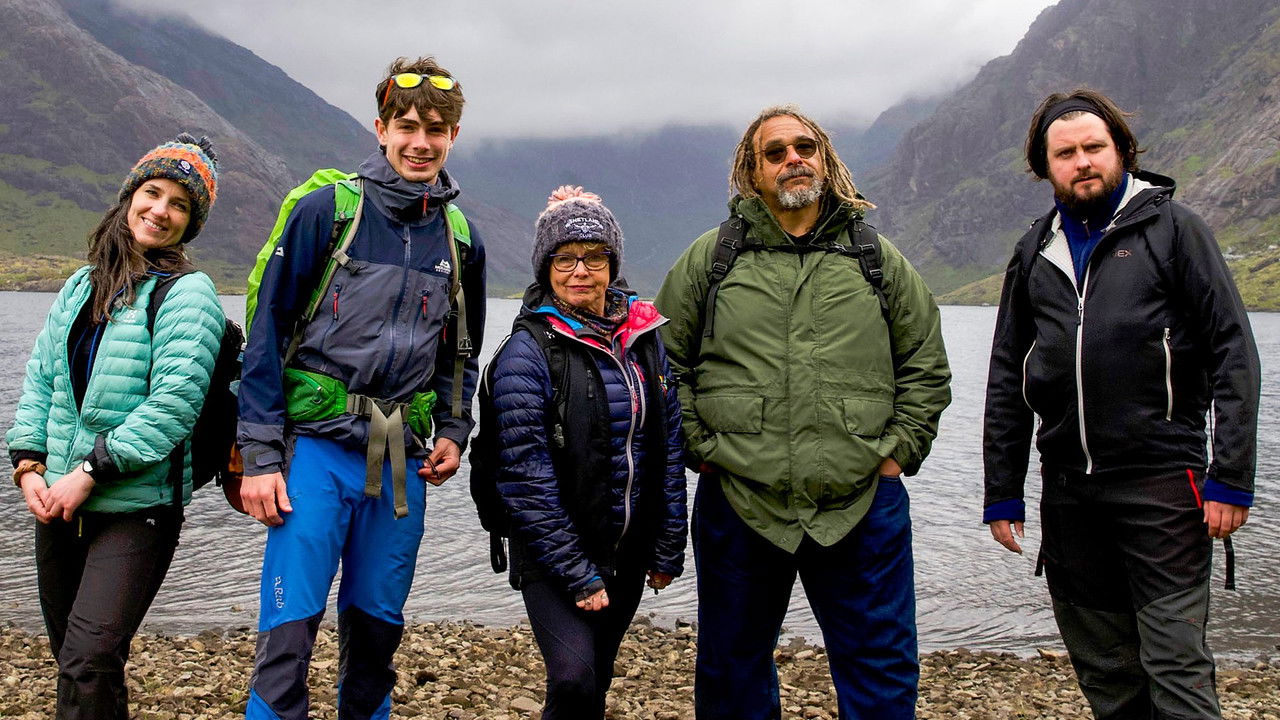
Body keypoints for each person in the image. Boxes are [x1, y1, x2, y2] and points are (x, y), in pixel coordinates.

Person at [655, 105, 951, 719]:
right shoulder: (712, 261)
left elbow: (925, 363)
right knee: (731, 672)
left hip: (863, 501)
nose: (793, 159)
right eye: (775, 152)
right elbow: (662, 364)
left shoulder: (875, 257)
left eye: (805, 147)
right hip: (740, 501)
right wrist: (703, 452)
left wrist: (898, 454)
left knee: (882, 670)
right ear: (752, 172)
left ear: (825, 159)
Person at [983, 88, 1260, 719]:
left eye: (1094, 148)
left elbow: (1233, 353)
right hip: (1070, 495)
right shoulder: (1033, 251)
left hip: (1164, 485)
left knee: (1175, 663)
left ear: (1121, 152)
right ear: (1044, 165)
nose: (1082, 162)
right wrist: (1003, 488)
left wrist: (1231, 479)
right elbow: (1006, 375)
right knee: (1107, 672)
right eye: (1065, 153)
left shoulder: (1175, 230)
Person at [236, 55, 485, 720]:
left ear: (454, 136)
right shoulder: (327, 213)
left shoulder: (462, 240)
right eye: (407, 125)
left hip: (400, 459)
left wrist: (456, 432)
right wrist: (259, 459)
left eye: (436, 128)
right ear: (380, 128)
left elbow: (461, 353)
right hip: (315, 451)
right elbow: (267, 332)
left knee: (376, 633)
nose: (421, 141)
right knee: (289, 635)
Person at [6, 133, 225, 717]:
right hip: (59, 500)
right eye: (152, 193)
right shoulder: (82, 285)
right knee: (74, 661)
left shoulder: (189, 294)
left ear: (191, 222)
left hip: (138, 505)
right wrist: (28, 465)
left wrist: (90, 470)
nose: (160, 211)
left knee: (90, 655)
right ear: (130, 196)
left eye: (179, 205)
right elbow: (43, 380)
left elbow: (174, 404)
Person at [486, 186, 687, 719]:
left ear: (612, 264)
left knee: (597, 678)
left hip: (627, 549)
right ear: (545, 267)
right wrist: (577, 572)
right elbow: (524, 476)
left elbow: (666, 446)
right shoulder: (525, 353)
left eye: (594, 257)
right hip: (552, 557)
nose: (580, 270)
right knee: (572, 678)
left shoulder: (644, 337)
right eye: (565, 257)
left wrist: (668, 546)